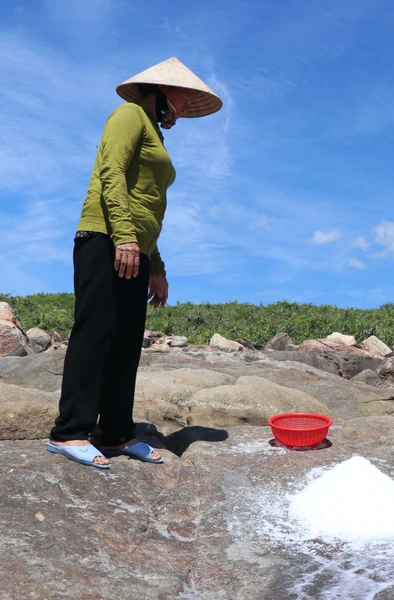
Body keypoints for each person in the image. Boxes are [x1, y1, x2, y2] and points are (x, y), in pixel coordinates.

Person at [47, 58, 222, 469]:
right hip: (104, 238)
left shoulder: (155, 132)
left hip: (135, 248)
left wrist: (156, 265)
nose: (182, 104)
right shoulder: (129, 115)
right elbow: (111, 174)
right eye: (180, 95)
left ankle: (115, 434)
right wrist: (123, 236)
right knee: (96, 332)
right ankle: (70, 432)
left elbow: (151, 207)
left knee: (127, 341)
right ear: (157, 89)